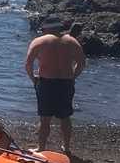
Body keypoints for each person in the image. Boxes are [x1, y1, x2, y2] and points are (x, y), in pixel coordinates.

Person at [24, 16, 86, 154]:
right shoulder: (72, 41)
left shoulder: (39, 41)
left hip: (46, 83)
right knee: (65, 117)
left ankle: (41, 148)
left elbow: (28, 64)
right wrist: (73, 77)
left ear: (46, 28)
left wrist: (33, 79)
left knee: (45, 118)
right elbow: (81, 63)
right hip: (66, 83)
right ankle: (67, 148)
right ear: (59, 27)